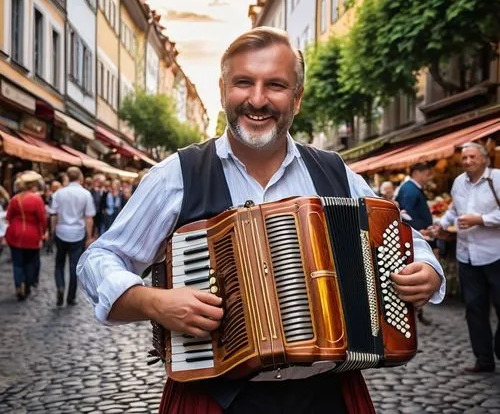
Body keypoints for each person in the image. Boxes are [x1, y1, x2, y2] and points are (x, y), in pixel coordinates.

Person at [78, 27, 445, 414]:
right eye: (243, 82)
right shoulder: (177, 174)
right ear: (223, 91)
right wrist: (152, 301)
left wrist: (427, 268)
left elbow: (401, 234)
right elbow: (99, 259)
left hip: (327, 396)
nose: (257, 99)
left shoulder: (335, 172)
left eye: (275, 85)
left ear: (297, 99)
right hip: (214, 399)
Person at [434, 142, 500, 373]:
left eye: (472, 157)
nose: (468, 161)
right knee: (474, 309)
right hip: (466, 256)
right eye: (464, 158)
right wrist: (440, 225)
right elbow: (454, 210)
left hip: (495, 254)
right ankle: (484, 360)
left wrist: (480, 220)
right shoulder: (458, 183)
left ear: (484, 159)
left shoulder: (497, 179)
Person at [396, 163, 435, 326]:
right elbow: (404, 214)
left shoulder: (412, 187)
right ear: (417, 173)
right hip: (415, 237)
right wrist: (419, 230)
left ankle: (417, 311)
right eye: (426, 173)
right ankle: (414, 311)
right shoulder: (410, 189)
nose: (429, 177)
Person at [51, 167, 95, 306]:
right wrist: (89, 236)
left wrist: (53, 231)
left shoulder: (58, 193)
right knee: (74, 266)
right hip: (77, 232)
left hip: (61, 231)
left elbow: (53, 215)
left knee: (59, 263)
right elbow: (89, 218)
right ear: (80, 178)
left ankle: (60, 286)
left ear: (67, 177)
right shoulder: (85, 194)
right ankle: (71, 297)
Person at [5, 171, 46, 300]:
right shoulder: (37, 199)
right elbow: (42, 219)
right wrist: (43, 233)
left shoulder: (14, 199)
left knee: (17, 263)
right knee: (29, 262)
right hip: (32, 234)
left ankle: (18, 285)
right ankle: (27, 284)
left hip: (15, 233)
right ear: (32, 185)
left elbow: (8, 217)